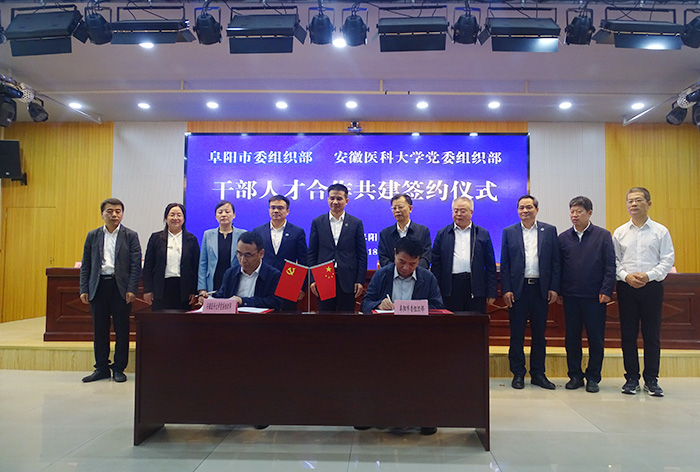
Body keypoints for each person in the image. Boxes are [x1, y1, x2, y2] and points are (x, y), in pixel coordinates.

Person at [613, 187, 674, 397]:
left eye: (638, 200)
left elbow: (667, 259)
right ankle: (631, 378)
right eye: (630, 201)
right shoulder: (620, 232)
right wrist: (626, 276)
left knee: (651, 334)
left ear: (649, 204)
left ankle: (651, 380)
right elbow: (614, 261)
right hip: (626, 287)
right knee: (628, 335)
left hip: (652, 287)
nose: (633, 204)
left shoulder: (660, 231)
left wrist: (649, 275)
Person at [501, 195, 560, 390]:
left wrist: (554, 287)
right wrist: (507, 289)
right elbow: (505, 263)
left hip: (540, 290)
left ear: (536, 209)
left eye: (529, 207)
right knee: (516, 334)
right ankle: (518, 373)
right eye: (521, 208)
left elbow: (555, 262)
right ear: (517, 210)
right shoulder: (509, 232)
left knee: (539, 335)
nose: (525, 211)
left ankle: (538, 374)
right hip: (518, 290)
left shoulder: (549, 231)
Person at [79, 198, 141, 383]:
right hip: (98, 287)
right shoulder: (93, 235)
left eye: (118, 211)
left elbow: (135, 265)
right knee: (100, 330)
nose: (114, 214)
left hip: (120, 288)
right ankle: (101, 368)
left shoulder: (131, 235)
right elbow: (86, 264)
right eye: (110, 211)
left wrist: (132, 288)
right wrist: (84, 288)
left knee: (122, 330)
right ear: (102, 214)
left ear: (122, 214)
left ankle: (119, 368)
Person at [558, 196, 616, 393]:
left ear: (589, 213)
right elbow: (559, 267)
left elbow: (610, 265)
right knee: (572, 338)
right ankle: (575, 375)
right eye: (572, 211)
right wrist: (559, 291)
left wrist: (606, 290)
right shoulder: (563, 238)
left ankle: (593, 377)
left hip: (595, 297)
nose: (574, 215)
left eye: (579, 211)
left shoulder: (603, 236)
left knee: (595, 338)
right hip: (571, 297)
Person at [431, 197, 497, 314]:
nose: (458, 214)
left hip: (475, 287)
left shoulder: (482, 234)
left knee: (475, 322)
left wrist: (491, 292)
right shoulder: (442, 234)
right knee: (451, 322)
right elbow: (436, 265)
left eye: (463, 211)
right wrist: (436, 290)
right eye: (455, 211)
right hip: (450, 287)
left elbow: (490, 265)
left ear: (471, 212)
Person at [308, 183, 367, 312]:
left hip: (348, 279)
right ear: (328, 199)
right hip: (323, 278)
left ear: (346, 201)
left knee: (347, 320)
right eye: (332, 198)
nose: (335, 202)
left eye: (339, 198)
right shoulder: (318, 222)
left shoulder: (355, 223)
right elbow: (312, 253)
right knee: (325, 318)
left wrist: (359, 280)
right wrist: (312, 279)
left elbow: (362, 254)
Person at [253, 195, 307, 311]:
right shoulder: (258, 231)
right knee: (264, 316)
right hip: (264, 281)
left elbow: (303, 261)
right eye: (273, 207)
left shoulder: (297, 232)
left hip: (289, 283)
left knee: (288, 317)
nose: (276, 211)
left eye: (280, 208)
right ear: (269, 210)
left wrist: (301, 287)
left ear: (287, 211)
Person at [142, 203, 200, 311]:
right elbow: (148, 266)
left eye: (179, 215)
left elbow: (196, 267)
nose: (175, 218)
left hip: (184, 290)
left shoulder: (191, 239)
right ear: (166, 218)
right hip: (160, 288)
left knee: (182, 320)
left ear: (184, 219)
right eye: (172, 215)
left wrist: (194, 291)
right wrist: (148, 289)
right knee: (161, 320)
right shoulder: (155, 238)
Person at [361, 237, 444, 313]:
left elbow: (438, 306)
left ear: (419, 260)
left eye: (412, 264)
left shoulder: (428, 278)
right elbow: (365, 304)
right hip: (387, 323)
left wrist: (416, 307)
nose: (406, 268)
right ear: (395, 254)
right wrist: (379, 305)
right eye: (402, 262)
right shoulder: (381, 275)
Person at [213, 231, 283, 311]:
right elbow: (222, 297)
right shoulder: (230, 273)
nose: (243, 259)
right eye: (239, 254)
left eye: (248, 255)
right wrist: (209, 299)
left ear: (261, 253)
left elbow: (276, 302)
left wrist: (243, 301)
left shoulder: (273, 275)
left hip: (259, 318)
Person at [197, 200, 246, 300]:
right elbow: (203, 263)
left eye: (227, 212)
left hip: (235, 280)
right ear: (216, 216)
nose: (223, 215)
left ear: (234, 215)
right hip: (214, 281)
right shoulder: (208, 234)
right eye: (220, 212)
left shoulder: (242, 234)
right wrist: (202, 288)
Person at [377, 194, 432, 269]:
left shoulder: (422, 231)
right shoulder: (385, 234)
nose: (397, 211)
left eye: (400, 207)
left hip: (417, 274)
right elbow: (383, 258)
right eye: (394, 208)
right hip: (392, 275)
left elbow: (426, 257)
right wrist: (397, 271)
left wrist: (412, 271)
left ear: (410, 208)